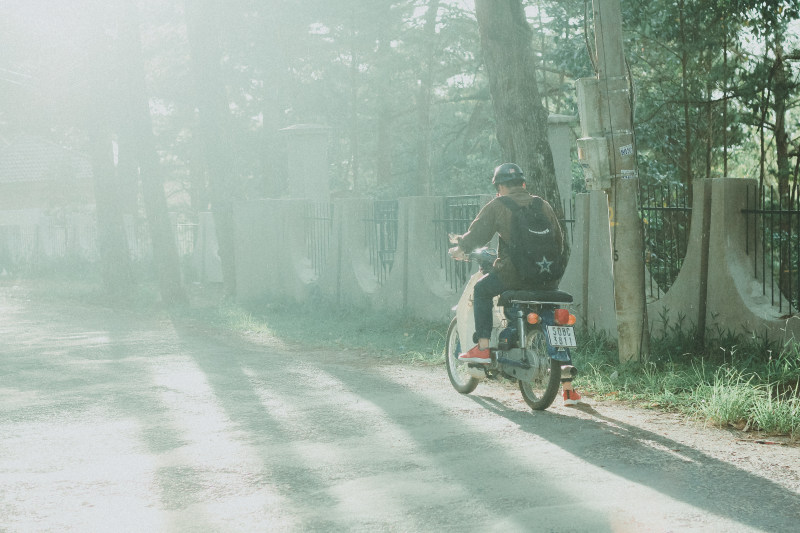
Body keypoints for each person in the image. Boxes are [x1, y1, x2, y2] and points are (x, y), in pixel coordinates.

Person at [448, 162, 584, 405]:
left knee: (481, 290)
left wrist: (460, 247)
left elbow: (477, 235)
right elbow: (559, 241)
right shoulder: (542, 204)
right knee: (552, 316)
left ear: (500, 187)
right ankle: (568, 388)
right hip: (548, 277)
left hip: (514, 275)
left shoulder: (499, 205)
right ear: (523, 184)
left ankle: (482, 346)